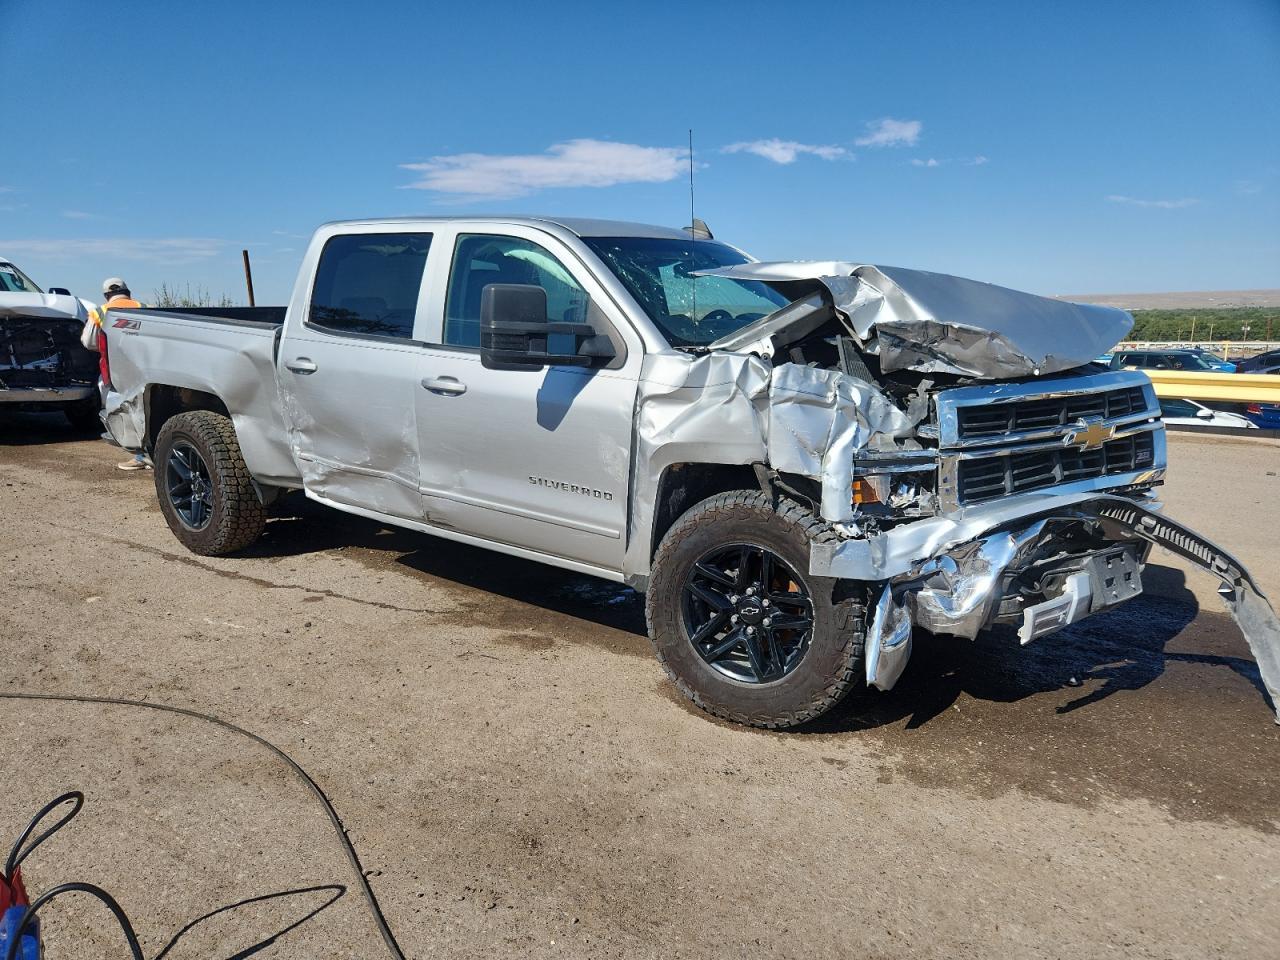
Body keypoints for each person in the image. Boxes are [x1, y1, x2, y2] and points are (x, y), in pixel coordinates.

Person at [85, 279, 146, 470]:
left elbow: (88, 342)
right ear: (128, 292)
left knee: (124, 410)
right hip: (145, 368)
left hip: (116, 369)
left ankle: (141, 456)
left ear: (106, 296)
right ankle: (149, 454)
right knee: (145, 408)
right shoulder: (144, 308)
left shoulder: (100, 312)